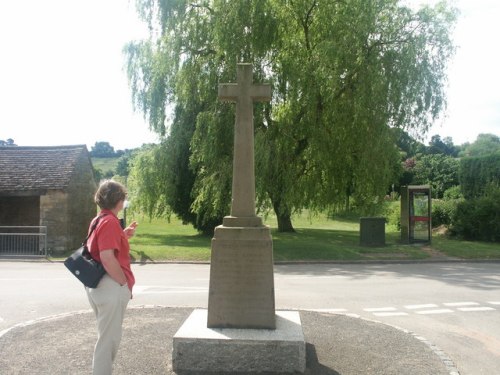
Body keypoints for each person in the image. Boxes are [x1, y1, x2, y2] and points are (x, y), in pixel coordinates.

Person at [85, 180, 138, 375]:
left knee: (106, 337)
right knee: (108, 341)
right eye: (123, 198)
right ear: (119, 200)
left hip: (98, 284)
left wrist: (123, 235)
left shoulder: (99, 219)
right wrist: (124, 284)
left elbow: (102, 249)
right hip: (110, 285)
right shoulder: (109, 222)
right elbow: (107, 257)